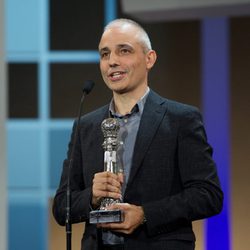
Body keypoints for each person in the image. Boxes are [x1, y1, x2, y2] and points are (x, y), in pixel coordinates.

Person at [53, 18, 223, 250]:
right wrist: (91, 196)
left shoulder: (181, 119)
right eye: (105, 54)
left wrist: (144, 214)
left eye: (124, 51)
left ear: (149, 58)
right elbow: (62, 207)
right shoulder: (86, 125)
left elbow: (208, 195)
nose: (112, 61)